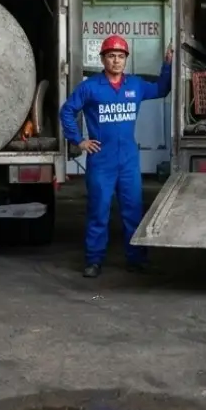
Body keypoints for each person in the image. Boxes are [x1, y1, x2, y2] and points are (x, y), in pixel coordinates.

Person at [61, 35, 173, 278]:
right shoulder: (90, 87)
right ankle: (94, 261)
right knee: (98, 211)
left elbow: (162, 89)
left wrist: (168, 65)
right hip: (101, 160)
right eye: (111, 56)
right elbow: (67, 110)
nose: (116, 61)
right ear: (103, 59)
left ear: (126, 60)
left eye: (121, 56)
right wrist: (79, 140)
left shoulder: (135, 85)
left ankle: (136, 259)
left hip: (128, 161)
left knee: (133, 211)